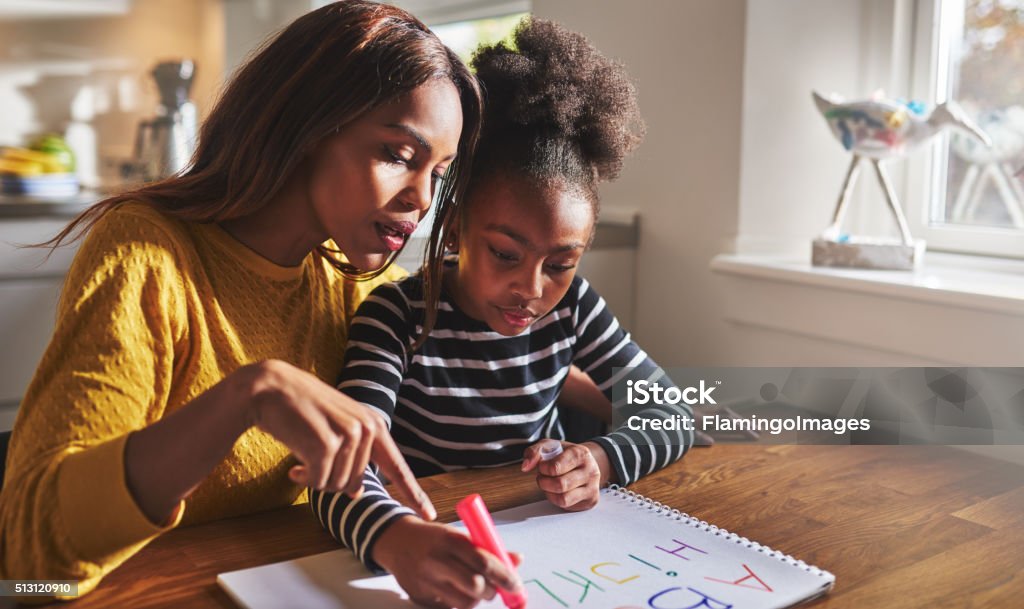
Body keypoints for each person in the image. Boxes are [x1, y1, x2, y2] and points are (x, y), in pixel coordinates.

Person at [0, 0, 482, 598]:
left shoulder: (359, 289)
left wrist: (600, 434)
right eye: (398, 155)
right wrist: (243, 398)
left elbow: (493, 357)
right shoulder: (149, 252)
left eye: (438, 174)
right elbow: (28, 559)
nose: (421, 199)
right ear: (307, 127)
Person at [310, 18, 694, 609]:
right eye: (505, 254)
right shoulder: (397, 317)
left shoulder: (572, 310)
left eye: (561, 262)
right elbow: (343, 467)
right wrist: (396, 536)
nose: (531, 289)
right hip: (433, 547)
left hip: (551, 549)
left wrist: (598, 459)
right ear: (458, 225)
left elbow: (672, 415)